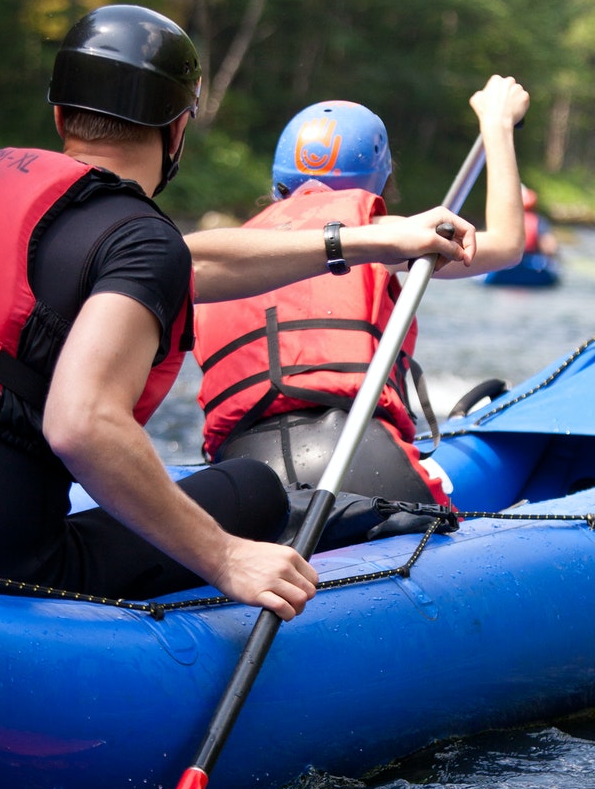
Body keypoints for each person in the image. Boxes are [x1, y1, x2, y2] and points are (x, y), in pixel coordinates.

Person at [0, 5, 475, 614]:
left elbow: (188, 262)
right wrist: (225, 557)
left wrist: (365, 242)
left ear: (62, 115)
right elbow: (82, 422)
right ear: (177, 128)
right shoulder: (136, 241)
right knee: (252, 487)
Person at [192, 76, 530, 503]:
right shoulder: (377, 235)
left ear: (278, 184)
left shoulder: (234, 254)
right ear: (379, 184)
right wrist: (497, 125)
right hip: (359, 456)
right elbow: (506, 245)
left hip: (240, 475)